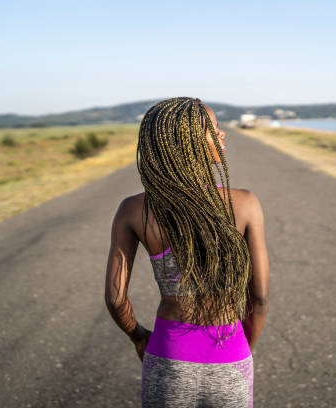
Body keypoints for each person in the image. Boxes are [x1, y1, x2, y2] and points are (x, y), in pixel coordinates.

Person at [104, 97, 269, 407]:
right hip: (229, 354)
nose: (222, 135)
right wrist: (243, 349)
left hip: (167, 355)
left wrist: (139, 337)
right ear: (187, 139)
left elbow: (115, 298)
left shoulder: (133, 209)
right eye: (213, 129)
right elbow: (258, 298)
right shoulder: (245, 203)